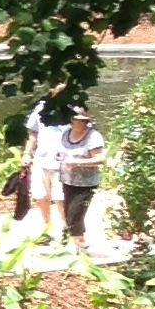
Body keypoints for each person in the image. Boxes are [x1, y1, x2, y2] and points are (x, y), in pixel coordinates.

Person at [59, 105, 106, 246]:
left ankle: (75, 246)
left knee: (75, 214)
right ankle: (80, 241)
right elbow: (64, 151)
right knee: (69, 213)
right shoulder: (66, 133)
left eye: (82, 120)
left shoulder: (93, 136)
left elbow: (100, 159)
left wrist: (78, 163)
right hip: (68, 180)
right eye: (75, 119)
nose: (78, 123)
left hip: (86, 183)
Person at [23, 100, 68, 236]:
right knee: (41, 196)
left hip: (63, 161)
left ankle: (66, 228)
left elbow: (84, 129)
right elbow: (33, 134)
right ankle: (47, 229)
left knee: (60, 198)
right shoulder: (41, 108)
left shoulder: (72, 108)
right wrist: (26, 153)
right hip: (41, 159)